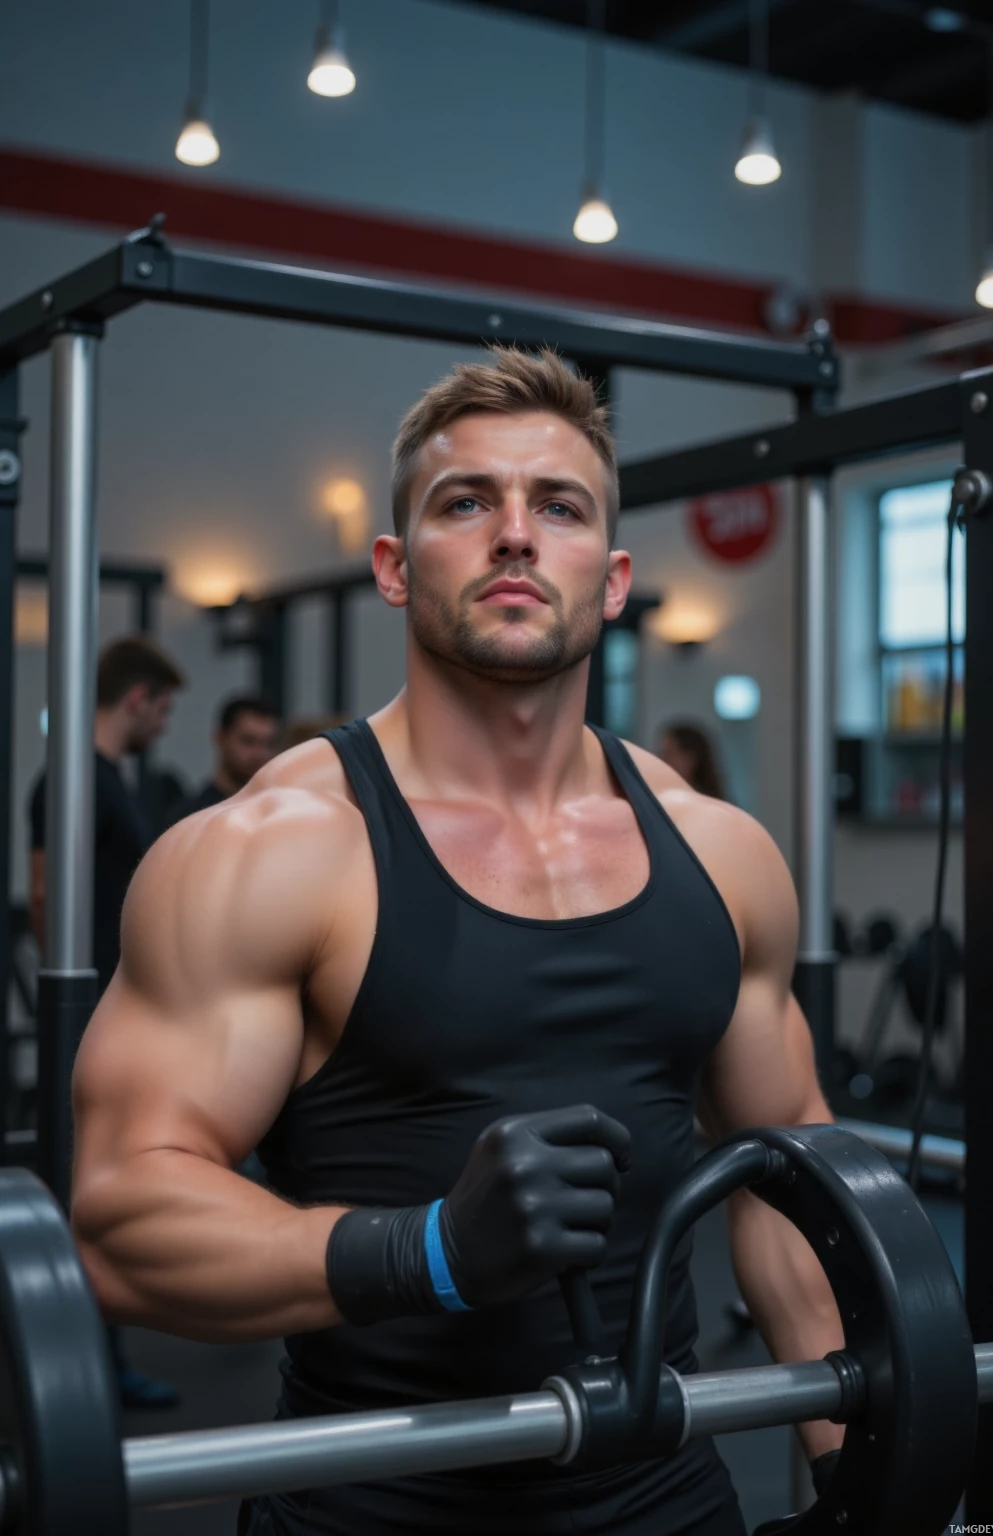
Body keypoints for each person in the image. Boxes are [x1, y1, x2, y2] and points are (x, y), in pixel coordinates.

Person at [70, 350, 843, 1536]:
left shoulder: (723, 854)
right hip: (374, 1501)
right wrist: (426, 1251)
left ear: (616, 575)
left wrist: (861, 1465)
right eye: (467, 501)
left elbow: (789, 1187)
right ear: (393, 565)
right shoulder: (272, 850)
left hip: (668, 1499)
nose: (517, 535)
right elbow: (122, 1221)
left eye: (560, 506)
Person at [30, 633, 186, 1412]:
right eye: (160, 711)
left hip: (112, 998)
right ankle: (84, 1362)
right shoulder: (71, 780)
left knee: (102, 1171)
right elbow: (44, 895)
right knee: (81, 1179)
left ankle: (103, 1352)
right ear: (136, 701)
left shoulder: (108, 778)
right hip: (83, 1003)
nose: (163, 725)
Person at [165, 695, 280, 825]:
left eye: (269, 744)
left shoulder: (277, 814)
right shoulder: (191, 818)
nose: (260, 754)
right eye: (248, 741)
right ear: (221, 738)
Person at [658, 720, 726, 800]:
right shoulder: (662, 798)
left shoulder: (710, 804)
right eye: (662, 755)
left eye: (669, 754)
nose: (663, 761)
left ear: (690, 758)